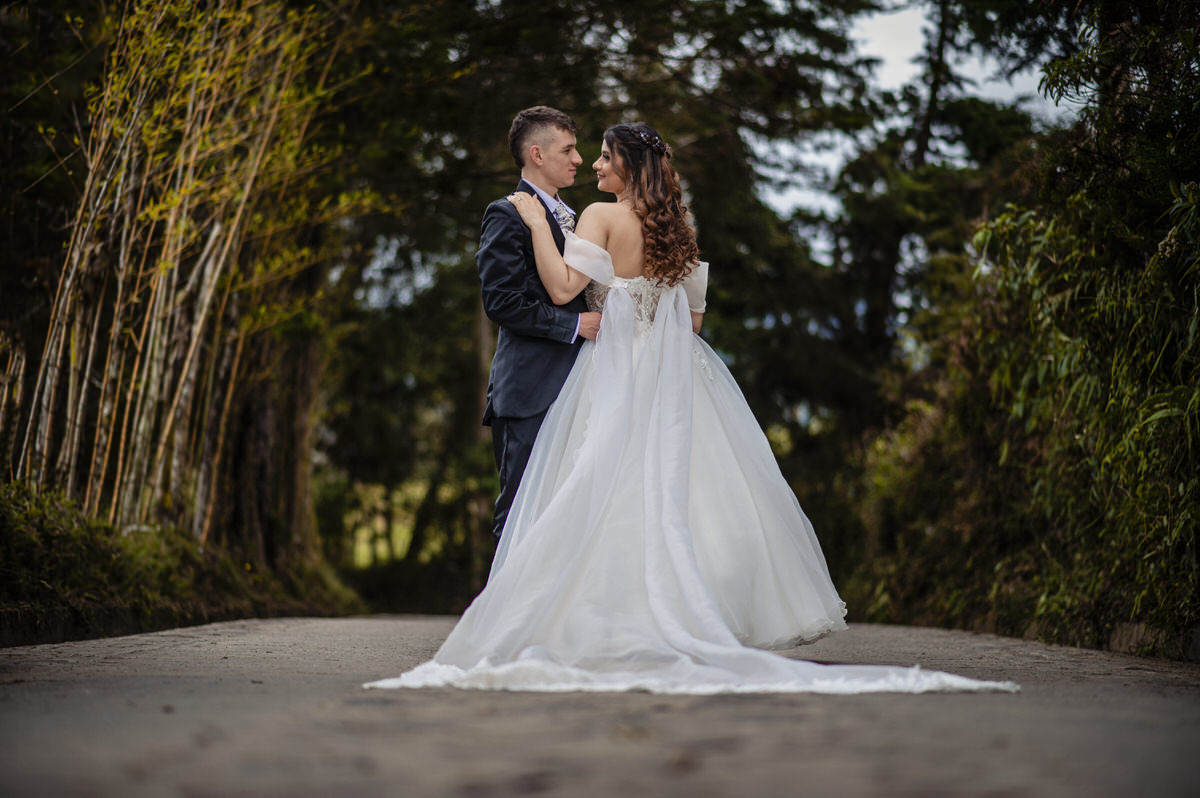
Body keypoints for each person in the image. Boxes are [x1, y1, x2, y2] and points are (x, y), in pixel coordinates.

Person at [366, 123, 1017, 694]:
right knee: (673, 493)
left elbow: (565, 288)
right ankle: (677, 616)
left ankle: (588, 619)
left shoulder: (598, 216)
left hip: (611, 371)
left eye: (603, 155)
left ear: (627, 165)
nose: (593, 164)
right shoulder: (678, 227)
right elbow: (695, 320)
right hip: (671, 374)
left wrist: (540, 228)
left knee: (596, 488)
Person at [477, 106, 602, 544]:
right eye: (568, 150)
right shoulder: (505, 214)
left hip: (580, 386)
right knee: (520, 516)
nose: (579, 159)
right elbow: (502, 302)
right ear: (537, 154)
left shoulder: (577, 216)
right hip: (530, 390)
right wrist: (574, 324)